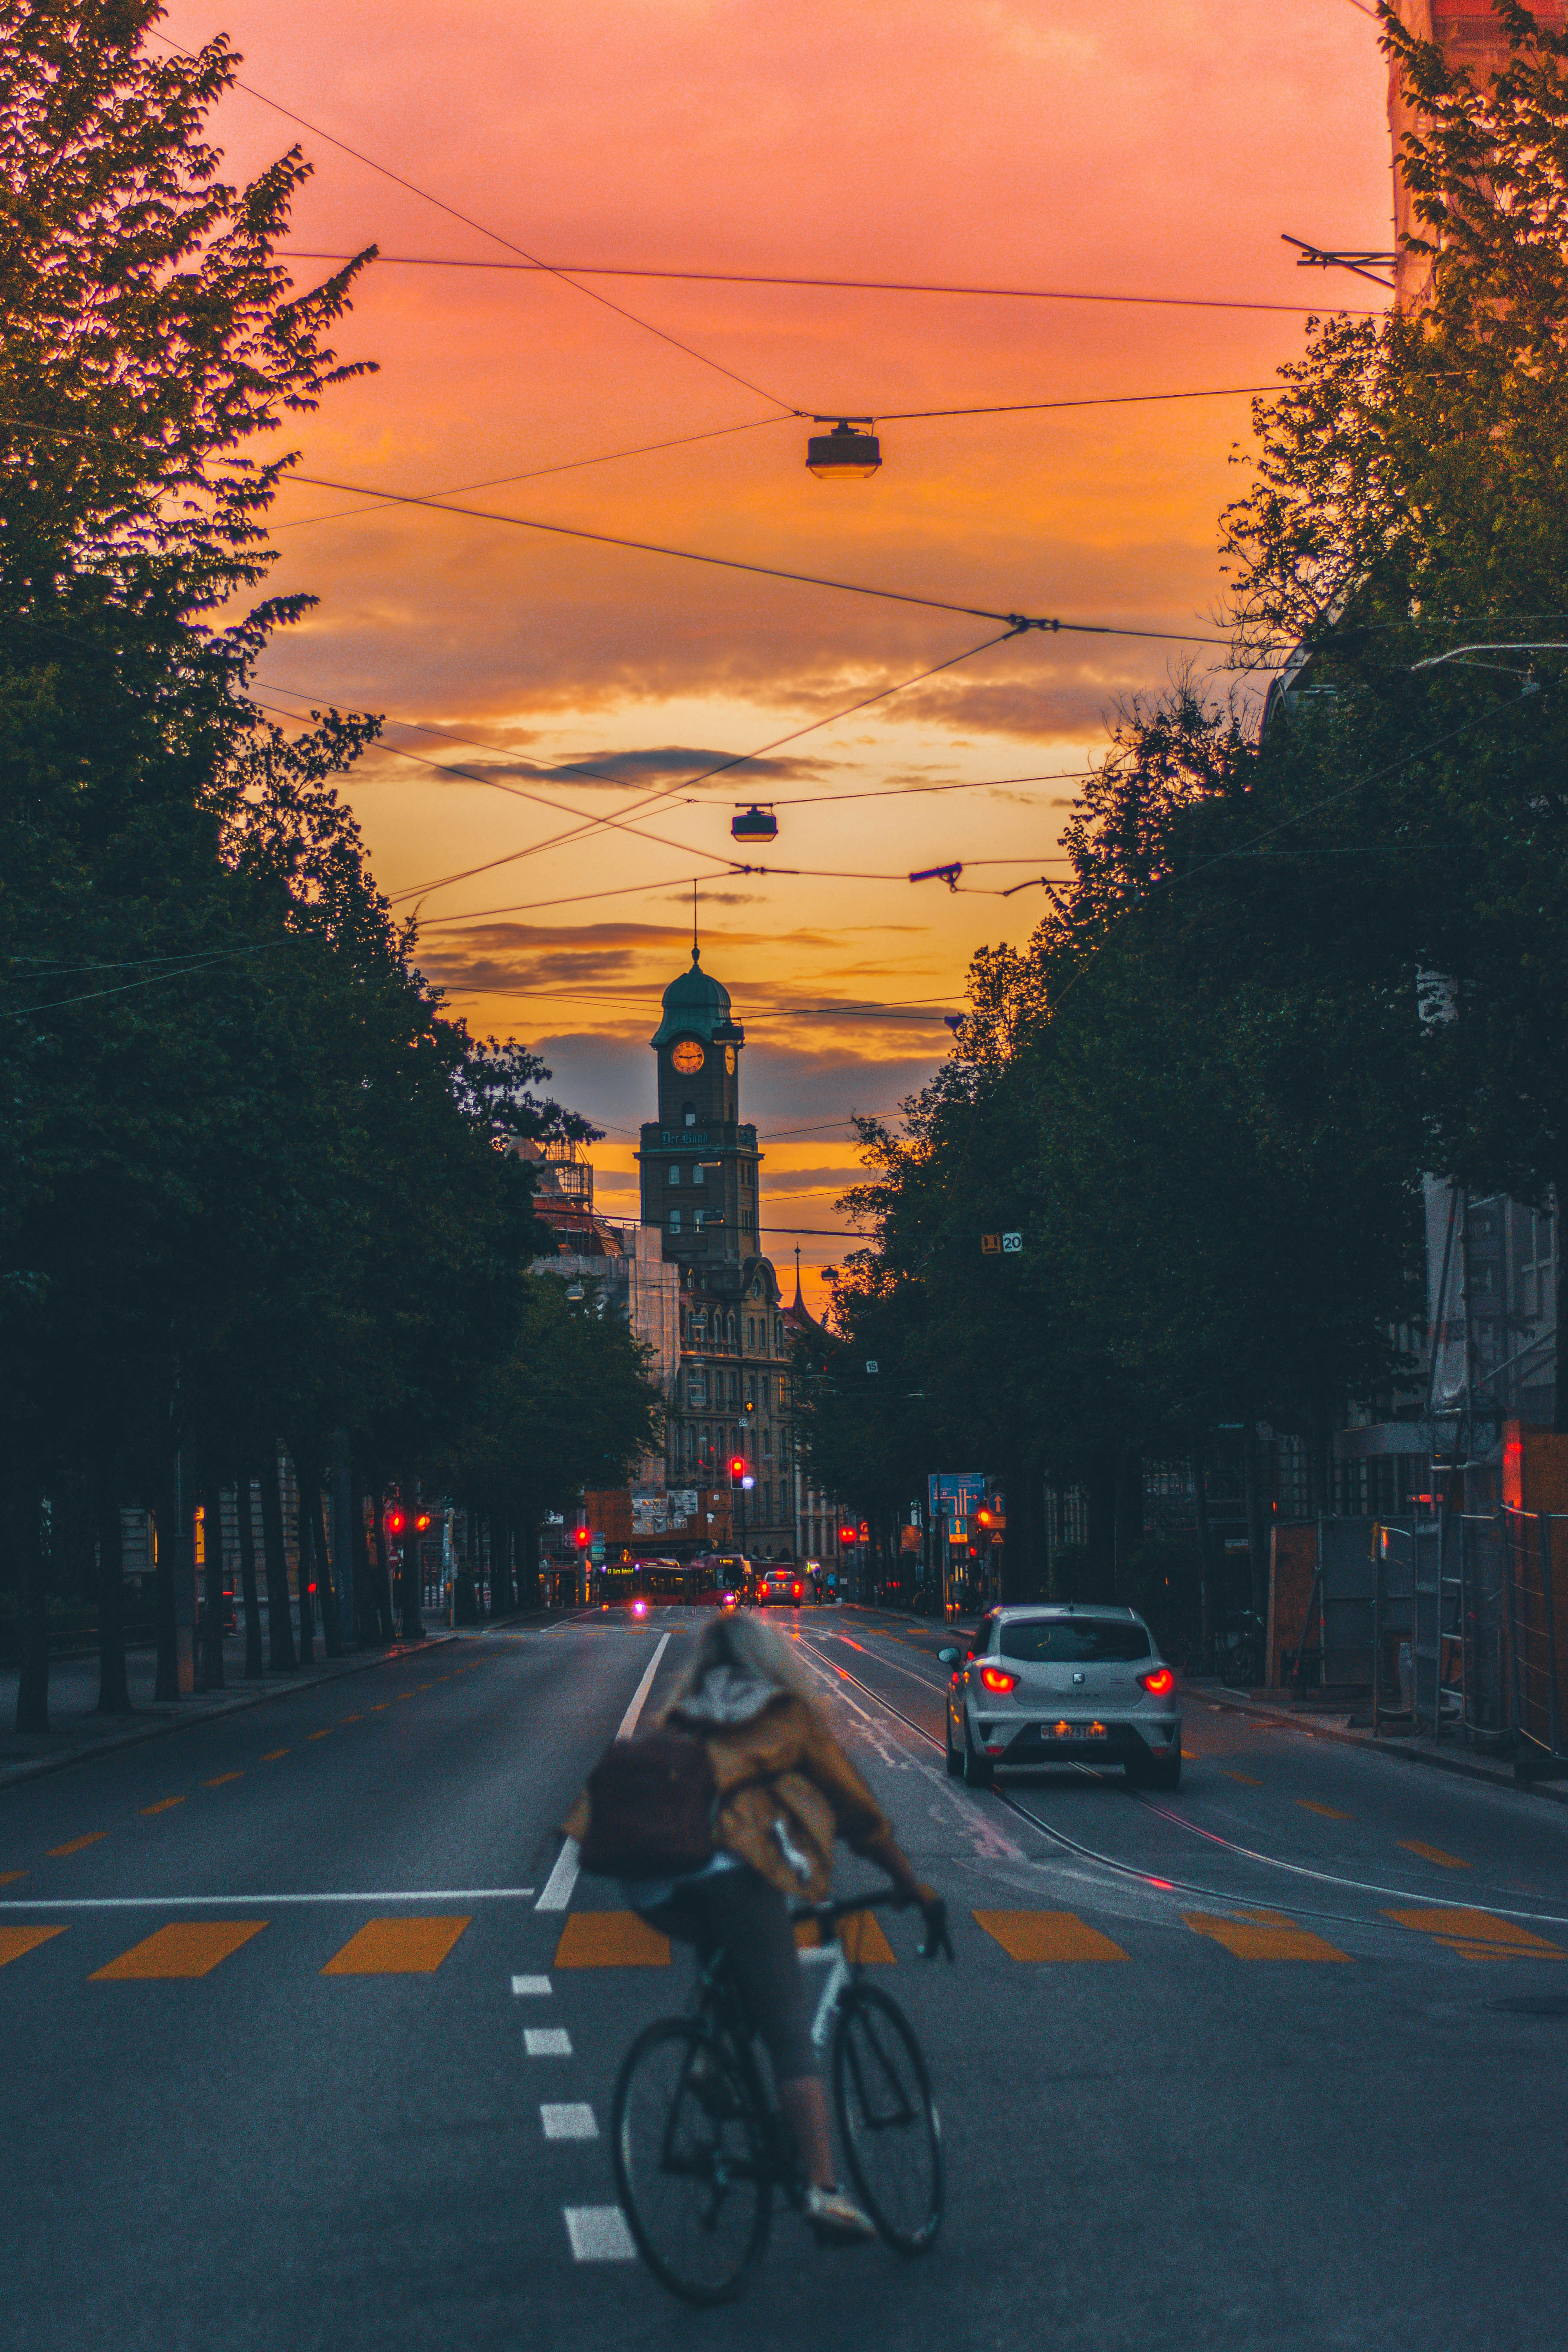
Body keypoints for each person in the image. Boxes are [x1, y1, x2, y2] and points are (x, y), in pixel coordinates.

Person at [563, 1613, 942, 2246]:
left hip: (649, 1878)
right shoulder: (784, 1712)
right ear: (770, 1659)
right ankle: (822, 2189)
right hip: (731, 1869)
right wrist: (910, 1885)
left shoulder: (684, 1712)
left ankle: (712, 2055)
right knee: (790, 2032)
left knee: (724, 1953)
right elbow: (858, 1811)